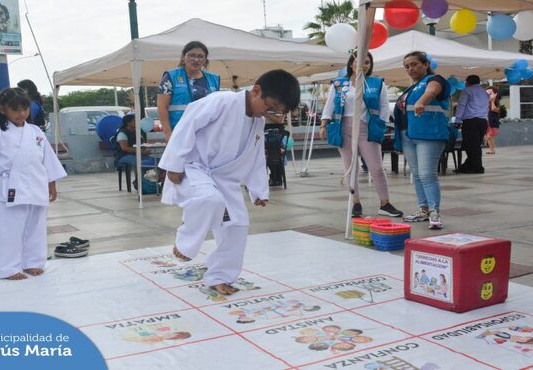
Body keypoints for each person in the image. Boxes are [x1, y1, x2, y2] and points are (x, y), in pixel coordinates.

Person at [159, 69, 300, 296]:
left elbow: (256, 157)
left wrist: (258, 190)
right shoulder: (220, 101)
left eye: (277, 112)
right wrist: (173, 164)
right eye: (270, 107)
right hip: (193, 168)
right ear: (256, 91)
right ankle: (185, 244)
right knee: (209, 199)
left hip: (224, 179)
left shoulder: (257, 123)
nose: (270, 114)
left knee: (238, 225)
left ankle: (220, 276)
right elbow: (187, 126)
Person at [0, 88, 66, 280]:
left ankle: (33, 262)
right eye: (16, 110)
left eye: (25, 109)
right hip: (9, 185)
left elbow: (48, 159)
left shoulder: (35, 131)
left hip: (36, 183)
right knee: (8, 229)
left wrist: (51, 182)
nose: (21, 114)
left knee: (35, 226)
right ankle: (8, 268)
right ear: (3, 110)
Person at [319, 51, 403, 218]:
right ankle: (355, 202)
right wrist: (323, 124)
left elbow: (384, 107)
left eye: (367, 62)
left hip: (367, 127)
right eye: (361, 62)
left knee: (377, 168)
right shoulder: (338, 83)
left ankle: (385, 203)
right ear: (351, 64)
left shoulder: (377, 83)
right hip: (343, 128)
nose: (364, 65)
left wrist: (382, 125)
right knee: (350, 168)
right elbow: (329, 106)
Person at [393, 51, 451, 229]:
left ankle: (434, 212)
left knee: (427, 174)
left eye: (414, 64)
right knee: (417, 175)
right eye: (407, 66)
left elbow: (432, 90)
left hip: (429, 135)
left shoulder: (435, 80)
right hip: (408, 135)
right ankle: (423, 209)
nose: (410, 69)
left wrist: (422, 101)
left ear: (426, 64)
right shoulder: (411, 88)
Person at [157, 41, 220, 142]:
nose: (196, 60)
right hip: (179, 132)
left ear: (205, 60)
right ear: (183, 57)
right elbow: (162, 107)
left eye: (200, 56)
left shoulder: (214, 79)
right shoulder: (170, 76)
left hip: (206, 134)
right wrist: (168, 133)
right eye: (191, 55)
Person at [455, 75, 489, 174]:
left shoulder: (467, 90)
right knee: (475, 145)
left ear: (468, 82)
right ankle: (467, 166)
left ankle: (477, 167)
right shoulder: (484, 92)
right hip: (482, 121)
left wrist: (457, 120)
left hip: (471, 121)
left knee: (471, 146)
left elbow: (461, 105)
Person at [485, 86, 501, 155]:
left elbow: (494, 109)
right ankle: (492, 150)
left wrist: (492, 101)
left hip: (493, 120)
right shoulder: (487, 102)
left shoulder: (496, 102)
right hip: (488, 121)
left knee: (489, 136)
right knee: (489, 137)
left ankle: (492, 150)